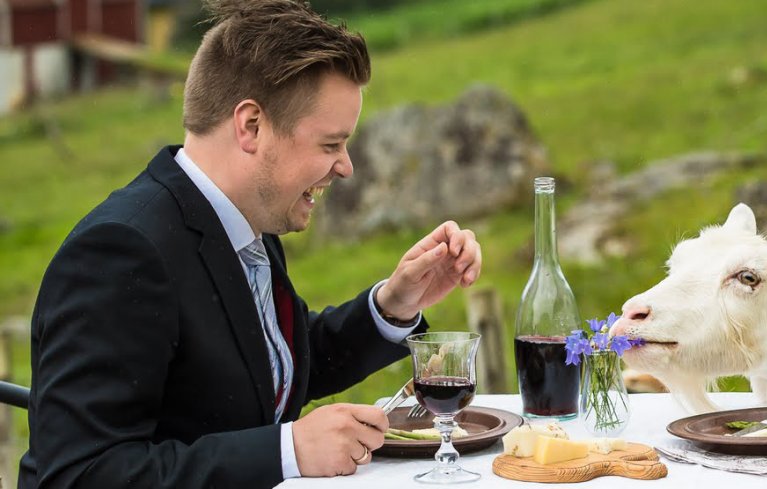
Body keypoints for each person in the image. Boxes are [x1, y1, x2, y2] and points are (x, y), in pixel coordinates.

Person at [19, 1, 483, 487]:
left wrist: (392, 305)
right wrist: (288, 451)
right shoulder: (120, 253)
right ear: (251, 126)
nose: (346, 166)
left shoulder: (242, 220)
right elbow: (79, 474)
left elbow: (267, 364)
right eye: (330, 144)